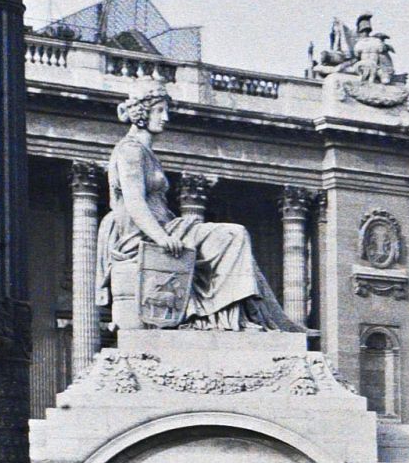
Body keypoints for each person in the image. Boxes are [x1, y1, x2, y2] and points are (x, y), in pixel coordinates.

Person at [98, 81, 298, 331]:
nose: (165, 118)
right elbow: (134, 202)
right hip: (145, 236)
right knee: (234, 235)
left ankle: (235, 318)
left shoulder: (145, 152)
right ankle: (227, 319)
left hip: (169, 228)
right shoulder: (130, 151)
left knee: (233, 236)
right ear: (141, 113)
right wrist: (161, 237)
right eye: (159, 110)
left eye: (165, 110)